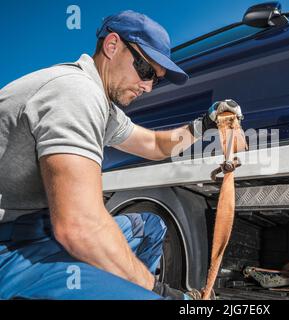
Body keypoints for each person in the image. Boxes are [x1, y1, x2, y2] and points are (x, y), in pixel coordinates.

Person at [0, 10, 243, 300]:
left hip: (42, 230)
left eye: (156, 79)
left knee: (152, 227)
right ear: (112, 46)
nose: (148, 86)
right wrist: (160, 291)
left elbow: (155, 145)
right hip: (12, 248)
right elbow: (80, 227)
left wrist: (204, 123)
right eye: (146, 70)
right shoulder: (75, 92)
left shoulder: (103, 108)